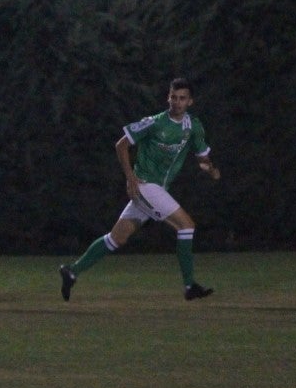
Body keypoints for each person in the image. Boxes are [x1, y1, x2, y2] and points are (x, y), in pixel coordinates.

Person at [59, 77, 220, 302]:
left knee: (117, 237)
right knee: (186, 226)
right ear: (168, 97)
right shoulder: (153, 122)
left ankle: (72, 271)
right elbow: (121, 144)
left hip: (158, 189)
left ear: (190, 102)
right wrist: (131, 178)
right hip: (146, 185)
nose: (177, 102)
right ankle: (189, 285)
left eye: (182, 98)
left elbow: (203, 157)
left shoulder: (194, 126)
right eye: (173, 97)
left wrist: (209, 168)